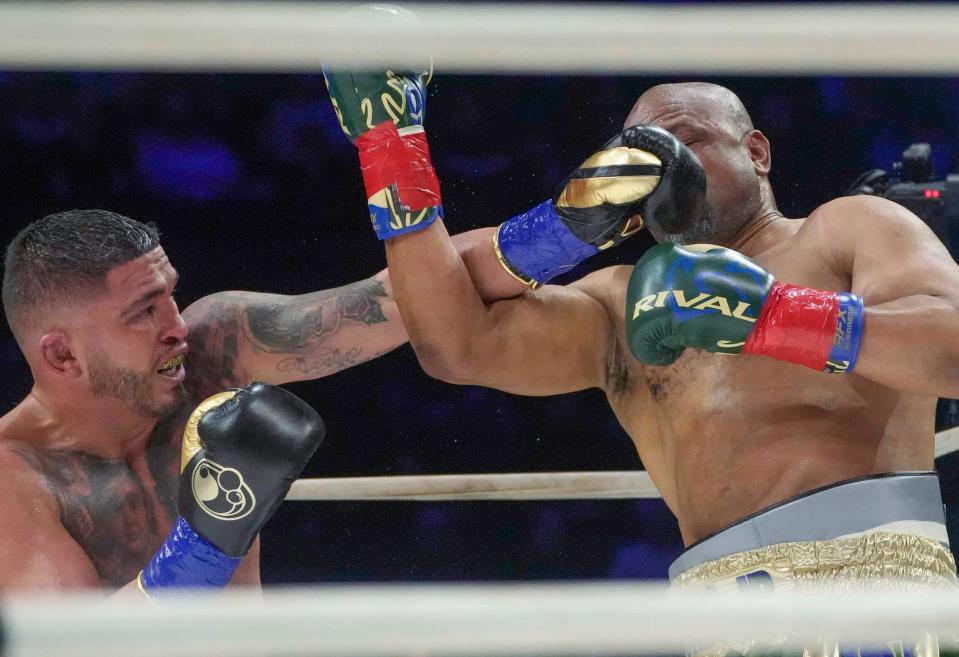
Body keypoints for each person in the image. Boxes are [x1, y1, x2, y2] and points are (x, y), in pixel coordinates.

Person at [328, 62, 959, 654]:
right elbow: (452, 343)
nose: (667, 169)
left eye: (686, 142)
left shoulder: (848, 229)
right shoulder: (618, 304)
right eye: (643, 155)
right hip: (718, 617)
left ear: (757, 152)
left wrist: (771, 316)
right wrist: (390, 143)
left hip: (879, 587)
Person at [0, 207, 522, 593]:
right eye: (142, 312)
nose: (176, 326)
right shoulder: (15, 479)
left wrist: (566, 226)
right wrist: (207, 542)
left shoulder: (212, 350)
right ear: (64, 356)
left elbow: (393, 299)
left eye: (170, 296)